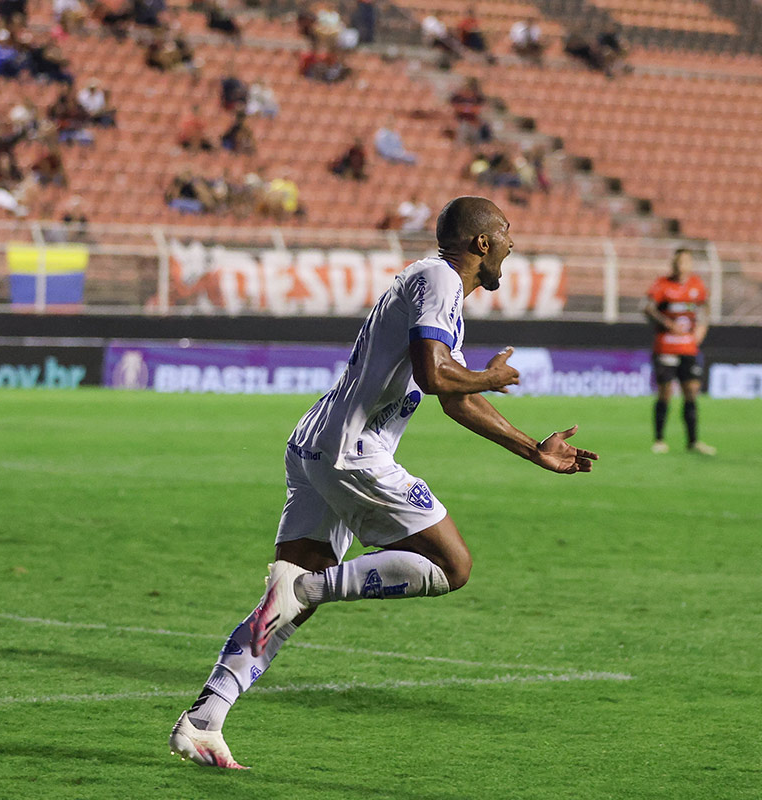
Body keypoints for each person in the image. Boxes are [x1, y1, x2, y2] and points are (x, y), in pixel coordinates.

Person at [168, 196, 599, 768]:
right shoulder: (441, 280)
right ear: (481, 244)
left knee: (285, 601)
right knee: (452, 566)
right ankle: (307, 588)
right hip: (355, 453)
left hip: (318, 445)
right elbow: (435, 374)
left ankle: (203, 721)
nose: (513, 244)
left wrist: (531, 449)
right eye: (507, 233)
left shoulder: (435, 289)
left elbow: (453, 397)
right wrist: (489, 375)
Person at [644, 248, 716, 455]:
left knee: (691, 391)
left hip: (688, 347)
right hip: (666, 345)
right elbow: (649, 308)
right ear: (673, 264)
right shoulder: (662, 284)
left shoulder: (696, 285)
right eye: (679, 261)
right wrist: (667, 323)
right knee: (665, 392)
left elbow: (705, 307)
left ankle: (693, 441)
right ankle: (659, 439)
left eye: (686, 261)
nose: (681, 265)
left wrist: (702, 327)